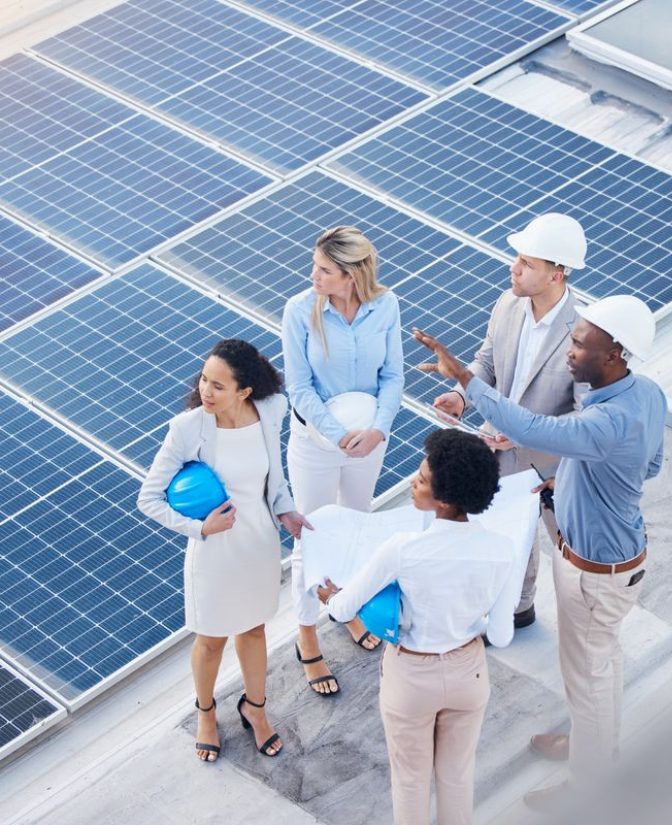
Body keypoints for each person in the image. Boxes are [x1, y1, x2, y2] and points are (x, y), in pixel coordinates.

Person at [415, 294, 667, 809]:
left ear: (614, 353)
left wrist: (466, 379)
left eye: (579, 342)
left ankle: (588, 785)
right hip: (616, 562)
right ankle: (593, 747)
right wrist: (569, 481)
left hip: (594, 574)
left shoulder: (605, 423)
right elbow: (651, 465)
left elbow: (535, 430)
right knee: (602, 664)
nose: (569, 350)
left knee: (588, 675)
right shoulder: (646, 395)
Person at [316, 429, 518, 825]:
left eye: (422, 479)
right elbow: (501, 635)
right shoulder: (502, 550)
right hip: (468, 674)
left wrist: (330, 597)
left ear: (441, 500)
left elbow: (342, 610)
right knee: (457, 777)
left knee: (410, 781)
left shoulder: (403, 548)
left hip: (411, 678)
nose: (413, 480)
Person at [138, 338, 309, 762]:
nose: (205, 392)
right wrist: (201, 527)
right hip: (214, 552)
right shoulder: (188, 428)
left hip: (259, 544)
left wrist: (286, 511)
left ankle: (256, 708)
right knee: (211, 640)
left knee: (254, 630)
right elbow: (149, 498)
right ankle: (206, 714)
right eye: (203, 380)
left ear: (245, 391)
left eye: (217, 385)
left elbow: (274, 476)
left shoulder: (271, 411)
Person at [433, 213, 587, 631]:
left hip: (552, 467)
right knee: (506, 538)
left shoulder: (586, 336)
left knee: (571, 552)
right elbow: (487, 360)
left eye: (527, 263)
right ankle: (517, 609)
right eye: (516, 258)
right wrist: (462, 396)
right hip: (495, 451)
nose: (513, 268)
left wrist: (523, 432)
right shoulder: (507, 303)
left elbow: (588, 420)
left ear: (556, 275)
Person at [282, 225, 404, 696]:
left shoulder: (385, 306)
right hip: (317, 443)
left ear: (352, 275)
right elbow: (299, 388)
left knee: (356, 527)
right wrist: (338, 436)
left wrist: (378, 430)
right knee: (310, 538)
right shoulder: (299, 311)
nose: (313, 275)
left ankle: (347, 606)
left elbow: (392, 376)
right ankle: (307, 636)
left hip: (370, 441)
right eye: (315, 265)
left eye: (324, 270)